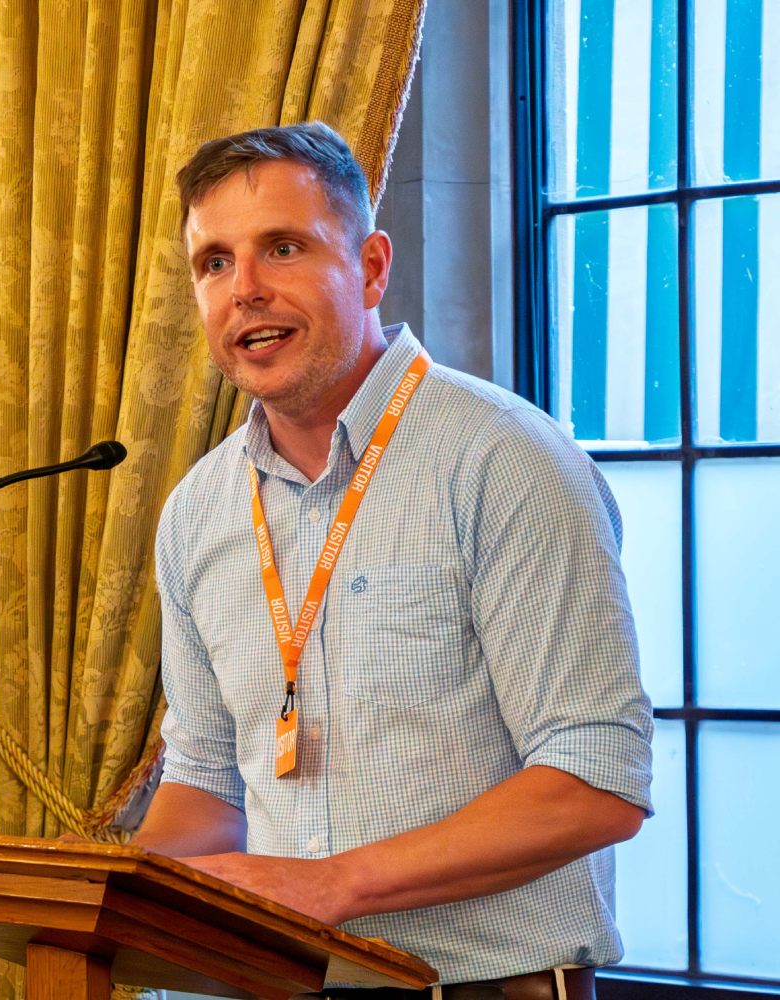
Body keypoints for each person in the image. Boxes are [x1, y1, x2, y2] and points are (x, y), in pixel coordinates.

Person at [135, 121, 653, 999]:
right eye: (214, 263)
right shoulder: (196, 513)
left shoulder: (504, 460)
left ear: (372, 267)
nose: (244, 290)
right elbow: (205, 780)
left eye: (283, 248)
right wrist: (98, 892)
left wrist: (329, 886)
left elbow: (595, 779)